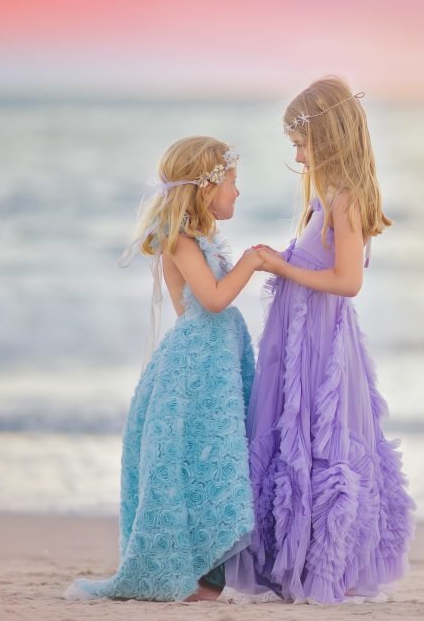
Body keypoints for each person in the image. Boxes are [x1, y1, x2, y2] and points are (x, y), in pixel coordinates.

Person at [222, 78, 415, 604]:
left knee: (322, 444)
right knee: (292, 441)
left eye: (301, 142)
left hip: (321, 348)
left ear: (327, 138)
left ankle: (330, 566)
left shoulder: (345, 202)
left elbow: (348, 282)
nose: (297, 153)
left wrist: (281, 265)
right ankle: (294, 558)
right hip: (297, 341)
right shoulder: (321, 201)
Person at [66, 136, 263, 601]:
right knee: (192, 461)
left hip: (214, 362)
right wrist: (253, 262)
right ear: (205, 188)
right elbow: (212, 301)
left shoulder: (201, 238)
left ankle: (209, 576)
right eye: (232, 183)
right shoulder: (180, 241)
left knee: (213, 463)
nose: (238, 192)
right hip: (195, 367)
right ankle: (191, 576)